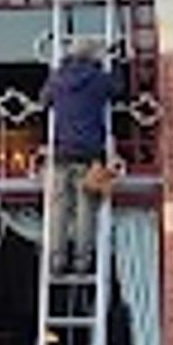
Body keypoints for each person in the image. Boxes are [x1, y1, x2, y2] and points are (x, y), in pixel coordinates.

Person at [37, 41, 125, 262]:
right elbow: (118, 89)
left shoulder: (58, 78)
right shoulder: (97, 79)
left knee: (59, 206)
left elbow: (43, 100)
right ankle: (82, 257)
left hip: (62, 151)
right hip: (89, 154)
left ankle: (57, 256)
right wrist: (115, 63)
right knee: (86, 207)